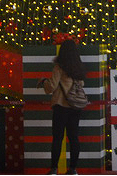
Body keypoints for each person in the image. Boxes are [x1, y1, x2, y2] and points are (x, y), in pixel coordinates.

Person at [43, 39, 87, 176]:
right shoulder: (79, 67)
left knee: (57, 138)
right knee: (74, 137)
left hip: (61, 106)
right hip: (76, 107)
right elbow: (82, 85)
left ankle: (54, 169)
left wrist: (43, 82)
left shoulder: (59, 67)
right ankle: (73, 169)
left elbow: (52, 86)